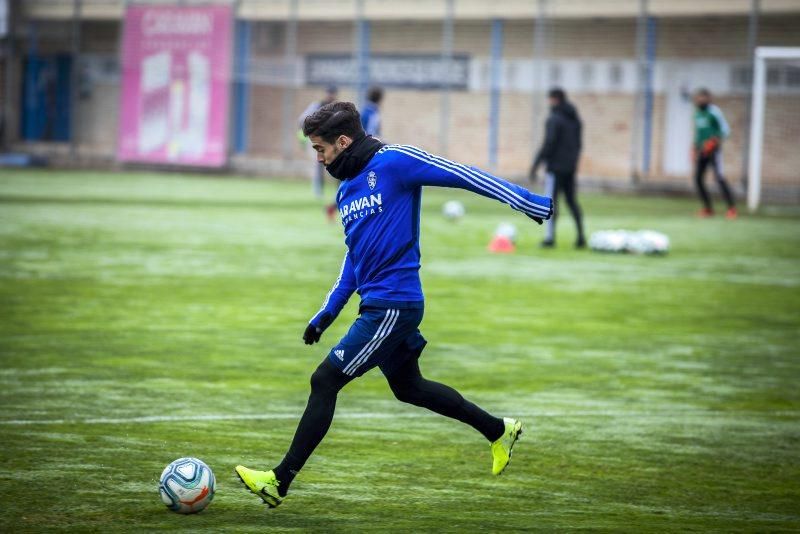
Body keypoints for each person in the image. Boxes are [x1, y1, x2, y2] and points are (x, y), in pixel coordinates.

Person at [235, 102, 553, 507]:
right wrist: (326, 314)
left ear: (344, 141)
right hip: (378, 305)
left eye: (320, 149)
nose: (318, 158)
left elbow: (462, 175)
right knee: (409, 388)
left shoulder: (395, 161)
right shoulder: (347, 188)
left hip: (394, 306)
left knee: (325, 381)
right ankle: (498, 430)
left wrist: (526, 201)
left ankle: (279, 481)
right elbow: (354, 259)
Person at [530, 88, 586, 249]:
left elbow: (549, 143)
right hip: (570, 168)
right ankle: (581, 237)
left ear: (555, 99)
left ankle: (549, 238)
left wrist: (536, 164)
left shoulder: (554, 119)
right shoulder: (575, 120)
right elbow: (578, 145)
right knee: (571, 201)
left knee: (551, 203)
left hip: (555, 168)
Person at [692, 88, 737, 219]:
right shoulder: (697, 113)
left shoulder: (714, 111)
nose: (700, 100)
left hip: (714, 151)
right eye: (698, 97)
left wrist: (714, 141)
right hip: (702, 151)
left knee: (719, 178)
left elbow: (725, 130)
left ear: (708, 98)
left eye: (703, 98)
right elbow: (699, 133)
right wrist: (695, 147)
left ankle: (731, 208)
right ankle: (708, 209)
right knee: (698, 179)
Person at [298, 86, 338, 199]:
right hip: (317, 141)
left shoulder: (336, 108)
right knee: (318, 165)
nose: (331, 95)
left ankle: (337, 191)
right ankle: (318, 191)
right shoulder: (317, 106)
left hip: (330, 142)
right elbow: (302, 120)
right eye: (329, 93)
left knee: (335, 163)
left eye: (333, 93)